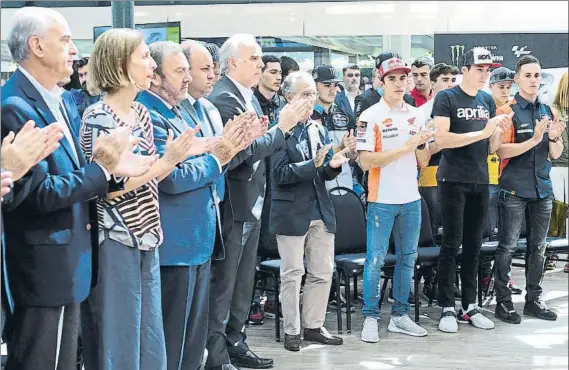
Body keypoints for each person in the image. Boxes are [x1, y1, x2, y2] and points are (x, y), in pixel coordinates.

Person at [2, 8, 149, 370]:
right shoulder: (15, 106)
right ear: (36, 46)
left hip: (68, 263)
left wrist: (109, 172)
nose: (73, 50)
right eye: (65, 40)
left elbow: (76, 174)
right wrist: (102, 170)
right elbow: (36, 194)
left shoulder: (60, 99)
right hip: (41, 268)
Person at [79, 29, 199, 370]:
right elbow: (111, 187)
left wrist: (171, 159)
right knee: (122, 338)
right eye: (144, 57)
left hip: (148, 233)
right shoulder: (99, 117)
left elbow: (148, 174)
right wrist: (167, 160)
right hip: (116, 237)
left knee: (150, 337)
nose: (151, 65)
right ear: (120, 64)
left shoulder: (141, 114)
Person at [205, 34, 306, 370]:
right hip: (234, 203)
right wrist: (281, 129)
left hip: (251, 201)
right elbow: (241, 155)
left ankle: (236, 341)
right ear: (233, 61)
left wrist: (272, 132)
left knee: (242, 283)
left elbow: (255, 146)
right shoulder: (225, 98)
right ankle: (217, 354)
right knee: (225, 285)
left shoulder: (243, 96)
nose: (262, 66)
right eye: (255, 59)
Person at [271, 71, 352, 351]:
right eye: (305, 95)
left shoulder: (317, 127)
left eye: (313, 95)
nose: (311, 100)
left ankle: (314, 326)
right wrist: (314, 166)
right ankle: (292, 330)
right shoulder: (278, 128)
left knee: (321, 272)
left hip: (320, 208)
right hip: (291, 212)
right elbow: (279, 174)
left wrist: (335, 163)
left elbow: (325, 172)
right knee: (292, 273)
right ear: (288, 97)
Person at [433, 47, 511, 333]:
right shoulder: (446, 97)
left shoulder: (487, 99)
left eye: (487, 70)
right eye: (479, 69)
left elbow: (492, 148)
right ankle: (446, 307)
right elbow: (440, 139)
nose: (483, 74)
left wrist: (498, 129)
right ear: (464, 69)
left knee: (474, 247)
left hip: (480, 179)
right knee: (451, 244)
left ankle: (470, 305)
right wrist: (481, 131)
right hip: (452, 179)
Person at [357, 56, 432, 342]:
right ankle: (370, 317)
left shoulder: (417, 114)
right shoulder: (369, 116)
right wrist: (406, 147)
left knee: (407, 259)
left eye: (404, 78)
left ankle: (400, 315)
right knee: (374, 260)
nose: (399, 83)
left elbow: (423, 160)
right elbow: (365, 162)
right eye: (393, 78)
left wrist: (424, 143)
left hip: (411, 199)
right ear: (381, 81)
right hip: (381, 199)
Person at [493, 55, 565, 324]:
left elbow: (554, 154)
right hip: (513, 188)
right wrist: (534, 138)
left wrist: (554, 137)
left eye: (537, 75)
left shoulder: (548, 111)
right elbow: (500, 151)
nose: (533, 80)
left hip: (542, 189)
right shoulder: (506, 112)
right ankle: (503, 302)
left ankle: (534, 299)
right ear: (517, 79)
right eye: (528, 76)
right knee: (508, 246)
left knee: (539, 247)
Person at [481, 67, 522, 294]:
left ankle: (503, 277)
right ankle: (486, 276)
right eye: (501, 86)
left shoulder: (514, 111)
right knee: (488, 231)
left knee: (507, 233)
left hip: (507, 177)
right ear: (491, 86)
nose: (505, 90)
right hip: (486, 178)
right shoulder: (484, 109)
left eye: (509, 87)